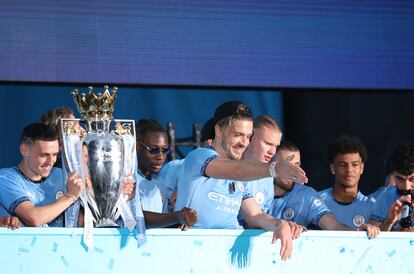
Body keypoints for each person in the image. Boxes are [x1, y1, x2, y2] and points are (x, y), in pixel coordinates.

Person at [175, 101, 308, 260]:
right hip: (192, 255)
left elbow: (255, 215)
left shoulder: (240, 179)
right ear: (218, 130)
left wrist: (279, 224)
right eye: (237, 135)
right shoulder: (199, 156)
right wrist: (275, 169)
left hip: (225, 259)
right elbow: (236, 171)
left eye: (248, 137)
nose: (244, 143)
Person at [271, 141, 378, 238]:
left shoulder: (307, 196)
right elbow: (255, 218)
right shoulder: (256, 189)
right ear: (271, 165)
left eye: (296, 165)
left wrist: (358, 234)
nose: (292, 171)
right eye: (286, 165)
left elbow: (333, 225)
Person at [0, 123, 84, 227]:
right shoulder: (6, 178)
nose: (51, 161)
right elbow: (34, 218)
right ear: (24, 150)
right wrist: (70, 197)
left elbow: (80, 221)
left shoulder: (63, 176)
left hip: (63, 243)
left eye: (54, 155)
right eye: (44, 155)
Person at [132, 119, 197, 228]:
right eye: (153, 150)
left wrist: (180, 221)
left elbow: (160, 224)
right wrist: (176, 217)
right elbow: (137, 217)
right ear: (137, 146)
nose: (161, 157)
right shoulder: (128, 181)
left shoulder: (160, 184)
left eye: (165, 150)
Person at [319, 136, 378, 234]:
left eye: (355, 164)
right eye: (343, 165)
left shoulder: (373, 207)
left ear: (362, 168)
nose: (349, 170)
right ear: (333, 168)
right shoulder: (317, 202)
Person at [241, 115, 281, 216]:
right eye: (268, 143)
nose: (272, 152)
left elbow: (261, 216)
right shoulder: (227, 165)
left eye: (276, 146)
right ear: (249, 138)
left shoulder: (268, 176)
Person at [369, 143, 414, 231]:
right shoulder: (386, 196)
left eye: (412, 179)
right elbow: (373, 241)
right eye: (400, 179)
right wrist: (388, 222)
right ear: (393, 175)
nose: (406, 187)